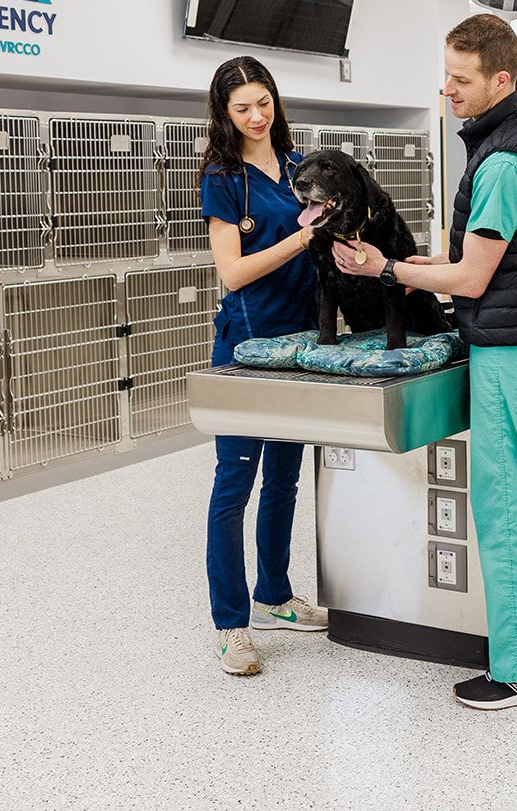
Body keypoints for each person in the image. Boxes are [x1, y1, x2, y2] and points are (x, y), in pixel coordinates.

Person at [331, 13, 517, 711]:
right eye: (446, 73)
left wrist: (387, 268)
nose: (446, 88)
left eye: (460, 78)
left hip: (515, 358)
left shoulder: (507, 158)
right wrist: (432, 265)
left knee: (507, 508)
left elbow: (476, 279)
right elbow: (487, 261)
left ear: (500, 80)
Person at [197, 55, 325, 676]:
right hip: (248, 349)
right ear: (224, 113)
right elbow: (233, 272)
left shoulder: (301, 168)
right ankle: (231, 625)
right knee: (234, 487)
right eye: (242, 107)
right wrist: (304, 238)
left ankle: (274, 593)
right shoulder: (223, 178)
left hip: (303, 344)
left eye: (264, 102)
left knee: (284, 480)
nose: (256, 116)